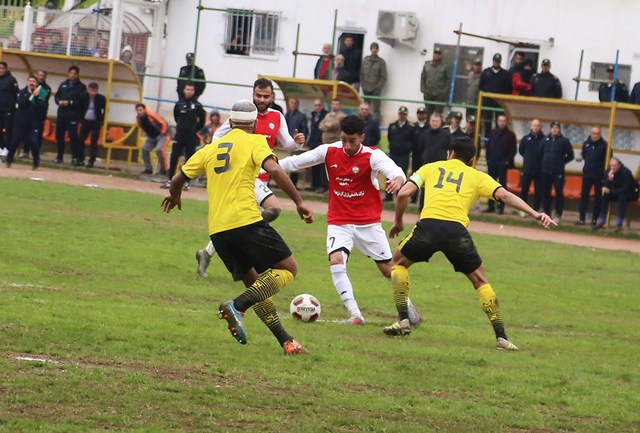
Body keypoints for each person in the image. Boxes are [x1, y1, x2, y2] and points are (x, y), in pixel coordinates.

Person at [161, 100, 314, 355]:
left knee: (256, 287)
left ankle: (287, 341)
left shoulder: (211, 148)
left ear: (230, 123)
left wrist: (176, 195)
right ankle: (236, 306)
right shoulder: (255, 141)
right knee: (288, 269)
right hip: (246, 221)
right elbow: (274, 169)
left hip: (218, 232)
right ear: (254, 124)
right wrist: (299, 202)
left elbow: (178, 178)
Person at [383, 137, 556, 347]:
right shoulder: (477, 176)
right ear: (472, 159)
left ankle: (402, 319)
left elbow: (404, 193)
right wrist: (535, 213)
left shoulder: (430, 167)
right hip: (456, 232)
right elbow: (504, 195)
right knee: (480, 280)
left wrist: (399, 221)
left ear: (450, 153)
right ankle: (502, 337)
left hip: (428, 226)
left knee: (398, 263)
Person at [278, 114, 420, 325]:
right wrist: (264, 167)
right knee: (336, 261)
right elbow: (295, 162)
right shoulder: (329, 151)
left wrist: (397, 180)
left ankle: (408, 308)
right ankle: (355, 314)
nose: (347, 145)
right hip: (339, 220)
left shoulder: (372, 155)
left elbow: (395, 171)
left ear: (361, 137)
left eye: (352, 141)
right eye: (344, 139)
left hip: (368, 222)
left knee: (388, 270)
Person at [195, 78, 306, 277]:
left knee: (241, 220)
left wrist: (297, 144)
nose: (262, 99)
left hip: (262, 176)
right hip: (244, 177)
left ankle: (207, 253)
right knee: (273, 209)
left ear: (272, 97)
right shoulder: (243, 116)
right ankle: (248, 248)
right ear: (253, 95)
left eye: (266, 96)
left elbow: (286, 142)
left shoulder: (277, 116)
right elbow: (217, 138)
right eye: (258, 95)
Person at [163, 82, 205, 189]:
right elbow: (176, 117)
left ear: (194, 91)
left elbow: (202, 121)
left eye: (191, 89)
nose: (189, 91)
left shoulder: (198, 105)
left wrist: (194, 130)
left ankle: (186, 181)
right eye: (187, 89)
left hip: (191, 136)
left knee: (189, 159)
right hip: (179, 135)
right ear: (184, 90)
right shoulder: (179, 104)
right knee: (174, 156)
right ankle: (170, 179)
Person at [5, 76, 48, 170]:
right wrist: (31, 95)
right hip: (20, 122)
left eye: (33, 81)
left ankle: (36, 163)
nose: (32, 83)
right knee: (15, 142)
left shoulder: (41, 94)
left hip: (33, 123)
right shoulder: (21, 92)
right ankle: (9, 160)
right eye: (30, 81)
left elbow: (42, 106)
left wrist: (36, 97)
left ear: (36, 83)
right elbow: (21, 103)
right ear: (27, 82)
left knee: (34, 143)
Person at [593, 157, 639, 231]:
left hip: (630, 193)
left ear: (619, 165)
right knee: (605, 196)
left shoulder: (626, 172)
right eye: (611, 165)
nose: (613, 167)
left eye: (615, 165)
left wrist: (610, 191)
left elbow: (625, 188)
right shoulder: (609, 171)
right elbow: (605, 186)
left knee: (622, 197)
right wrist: (609, 180)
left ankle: (619, 223)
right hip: (616, 192)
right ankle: (602, 219)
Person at [540, 121, 574, 222]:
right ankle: (547, 213)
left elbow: (570, 155)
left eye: (557, 128)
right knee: (546, 193)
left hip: (558, 172)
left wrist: (561, 162)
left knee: (559, 193)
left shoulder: (564, 141)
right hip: (545, 171)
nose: (555, 129)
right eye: (553, 128)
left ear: (559, 129)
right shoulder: (545, 140)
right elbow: (540, 152)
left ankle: (558, 214)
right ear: (550, 129)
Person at [483, 114, 517, 214]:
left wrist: (507, 161)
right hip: (492, 162)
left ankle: (501, 207)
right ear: (497, 121)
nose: (502, 122)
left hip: (502, 163)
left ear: (506, 122)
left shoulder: (510, 135)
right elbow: (488, 146)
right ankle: (490, 206)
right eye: (500, 120)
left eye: (503, 121)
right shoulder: (492, 132)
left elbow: (513, 150)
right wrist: (488, 159)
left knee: (502, 185)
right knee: (490, 185)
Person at [54, 65, 88, 164]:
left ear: (77, 75)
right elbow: (57, 96)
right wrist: (59, 101)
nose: (72, 75)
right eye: (71, 73)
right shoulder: (63, 84)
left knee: (73, 136)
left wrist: (70, 102)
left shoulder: (81, 87)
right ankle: (59, 156)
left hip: (73, 115)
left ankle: (74, 157)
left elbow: (82, 102)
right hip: (61, 115)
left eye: (74, 74)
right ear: (68, 74)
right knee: (59, 136)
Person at [575, 127, 609, 226]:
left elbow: (608, 160)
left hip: (599, 175)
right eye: (593, 133)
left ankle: (594, 219)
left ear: (600, 134)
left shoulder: (605, 145)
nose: (595, 135)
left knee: (598, 197)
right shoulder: (586, 144)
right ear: (590, 133)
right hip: (587, 174)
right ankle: (582, 218)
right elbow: (584, 156)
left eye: (597, 133)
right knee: (584, 196)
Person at [479, 53, 512, 136]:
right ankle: (487, 141)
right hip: (487, 102)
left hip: (499, 102)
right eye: (495, 61)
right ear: (493, 61)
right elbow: (481, 86)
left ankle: (499, 139)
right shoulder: (486, 72)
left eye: (498, 61)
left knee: (500, 122)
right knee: (487, 122)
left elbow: (509, 89)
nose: (496, 63)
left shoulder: (505, 74)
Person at [385, 106, 413, 201]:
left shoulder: (410, 127)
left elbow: (412, 141)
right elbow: (390, 138)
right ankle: (388, 196)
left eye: (404, 114)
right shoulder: (392, 126)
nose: (402, 116)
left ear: (406, 115)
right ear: (399, 114)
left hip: (404, 155)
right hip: (393, 153)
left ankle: (399, 195)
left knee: (402, 175)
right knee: (389, 174)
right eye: (401, 114)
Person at [518, 119, 545, 213]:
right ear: (531, 127)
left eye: (538, 125)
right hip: (527, 169)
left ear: (540, 127)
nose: (536, 127)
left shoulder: (544, 139)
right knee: (524, 190)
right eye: (534, 125)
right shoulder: (526, 138)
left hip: (539, 170)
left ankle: (536, 210)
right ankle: (523, 209)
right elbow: (521, 150)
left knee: (539, 192)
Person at [78, 82, 106, 168]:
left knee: (94, 141)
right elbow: (79, 108)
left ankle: (91, 160)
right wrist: (81, 119)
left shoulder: (101, 98)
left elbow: (104, 110)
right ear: (88, 90)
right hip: (85, 121)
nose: (93, 93)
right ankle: (80, 158)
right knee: (80, 139)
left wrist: (101, 120)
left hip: (95, 122)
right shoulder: (83, 96)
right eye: (91, 90)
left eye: (95, 91)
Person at [136, 103, 169, 175]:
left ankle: (164, 170)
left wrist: (163, 132)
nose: (139, 112)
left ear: (144, 110)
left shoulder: (151, 115)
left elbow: (163, 123)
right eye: (138, 111)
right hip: (151, 137)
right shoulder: (138, 119)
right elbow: (141, 127)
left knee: (159, 150)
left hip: (163, 135)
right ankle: (148, 169)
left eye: (141, 110)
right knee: (144, 149)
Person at [284, 97, 309, 187]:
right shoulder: (287, 115)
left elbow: (305, 130)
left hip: (296, 143)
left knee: (295, 164)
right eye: (291, 103)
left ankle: (293, 184)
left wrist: (302, 141)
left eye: (295, 103)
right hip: (286, 143)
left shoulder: (301, 116)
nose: (293, 105)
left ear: (297, 104)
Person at [360, 42, 387, 120]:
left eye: (376, 48)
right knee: (365, 107)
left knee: (376, 109)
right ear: (370, 49)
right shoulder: (365, 60)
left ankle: (375, 125)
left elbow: (383, 77)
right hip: (366, 88)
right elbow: (361, 74)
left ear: (378, 50)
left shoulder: (381, 62)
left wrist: (377, 87)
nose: (374, 50)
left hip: (376, 90)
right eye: (373, 48)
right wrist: (362, 84)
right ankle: (365, 122)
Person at [420, 47, 450, 117]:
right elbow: (423, 77)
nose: (437, 55)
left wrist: (444, 92)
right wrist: (423, 89)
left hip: (439, 95)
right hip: (428, 93)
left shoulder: (444, 66)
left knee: (438, 114)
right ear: (433, 54)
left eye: (439, 54)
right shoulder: (427, 65)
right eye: (435, 53)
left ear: (441, 55)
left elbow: (448, 80)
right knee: (428, 114)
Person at [308, 98, 328, 193]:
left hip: (321, 142)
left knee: (321, 165)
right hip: (313, 142)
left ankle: (321, 185)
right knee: (313, 163)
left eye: (319, 105)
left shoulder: (325, 115)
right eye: (315, 105)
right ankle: (314, 184)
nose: (317, 107)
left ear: (322, 106)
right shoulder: (313, 115)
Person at [0, 61, 19, 159]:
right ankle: (1, 147)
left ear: (6, 69)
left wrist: (14, 108)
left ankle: (7, 149)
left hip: (8, 110)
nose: (1, 70)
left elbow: (17, 95)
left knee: (8, 130)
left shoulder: (11, 80)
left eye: (2, 68)